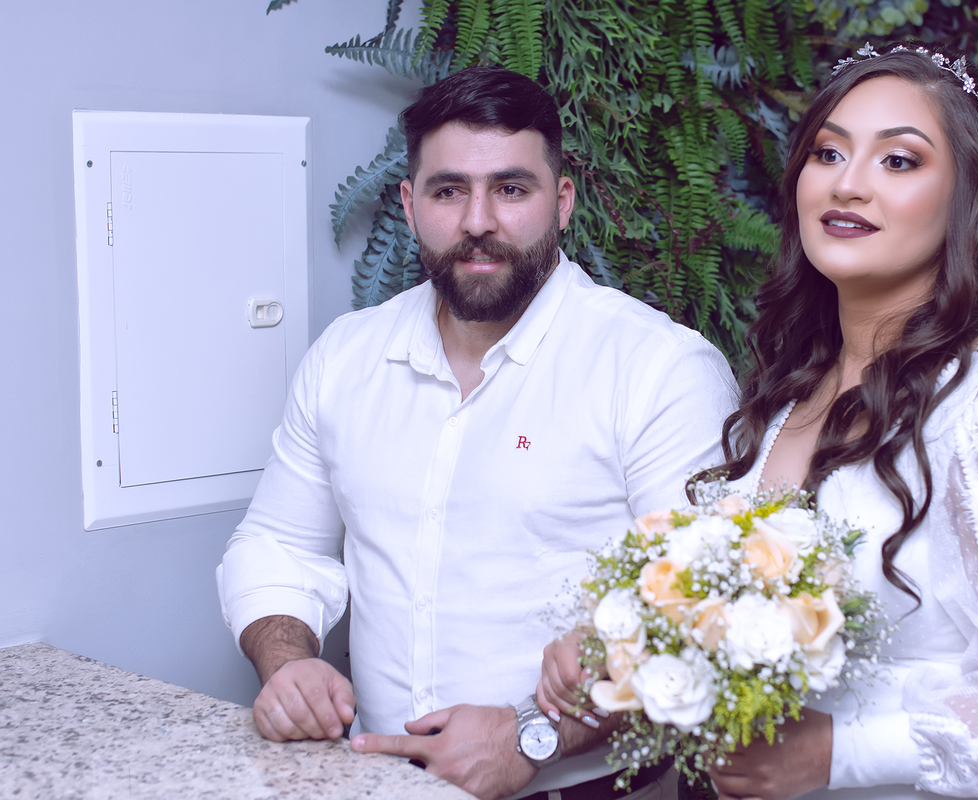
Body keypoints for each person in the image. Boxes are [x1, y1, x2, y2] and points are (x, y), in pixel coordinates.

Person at [537, 44, 978, 800]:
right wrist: (623, 644)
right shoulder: (793, 390)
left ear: (969, 204)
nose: (848, 184)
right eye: (828, 152)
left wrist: (841, 752)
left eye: (899, 161)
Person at [217, 65, 739, 800]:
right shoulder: (345, 358)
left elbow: (709, 614)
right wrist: (289, 662)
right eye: (448, 190)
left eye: (512, 189)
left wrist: (533, 736)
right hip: (377, 778)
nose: (478, 221)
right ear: (409, 206)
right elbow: (279, 544)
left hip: (585, 786)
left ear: (562, 202)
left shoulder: (660, 370)